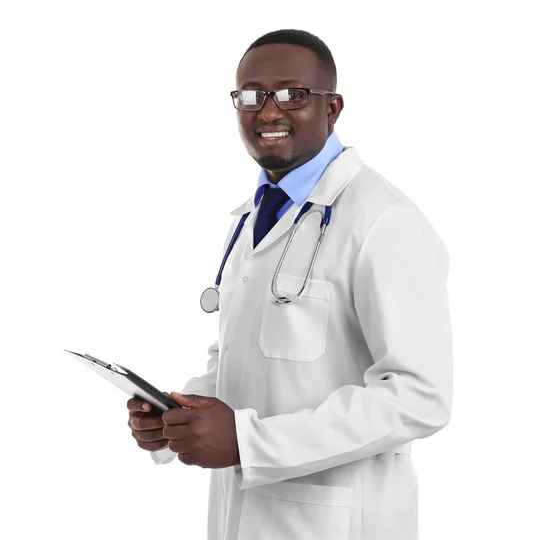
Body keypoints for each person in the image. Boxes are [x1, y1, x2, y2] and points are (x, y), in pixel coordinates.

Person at [127, 29, 453, 540]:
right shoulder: (257, 215)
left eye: (292, 94)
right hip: (244, 517)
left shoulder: (384, 221)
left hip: (337, 522)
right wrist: (178, 415)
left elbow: (420, 396)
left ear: (333, 107)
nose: (269, 111)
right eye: (251, 95)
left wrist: (247, 443)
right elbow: (240, 357)